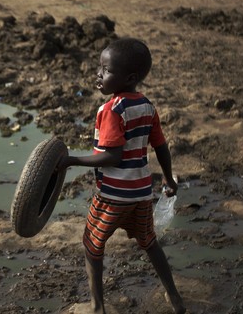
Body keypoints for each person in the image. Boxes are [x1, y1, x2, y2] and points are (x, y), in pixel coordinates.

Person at [56, 38, 186, 314]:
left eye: (106, 70)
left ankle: (97, 306)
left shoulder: (111, 110)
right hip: (140, 194)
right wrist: (168, 178)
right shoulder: (147, 106)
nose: (98, 75)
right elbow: (160, 145)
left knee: (92, 244)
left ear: (129, 77)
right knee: (150, 243)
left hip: (112, 197)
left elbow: (112, 157)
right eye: (99, 68)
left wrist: (72, 160)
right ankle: (174, 297)